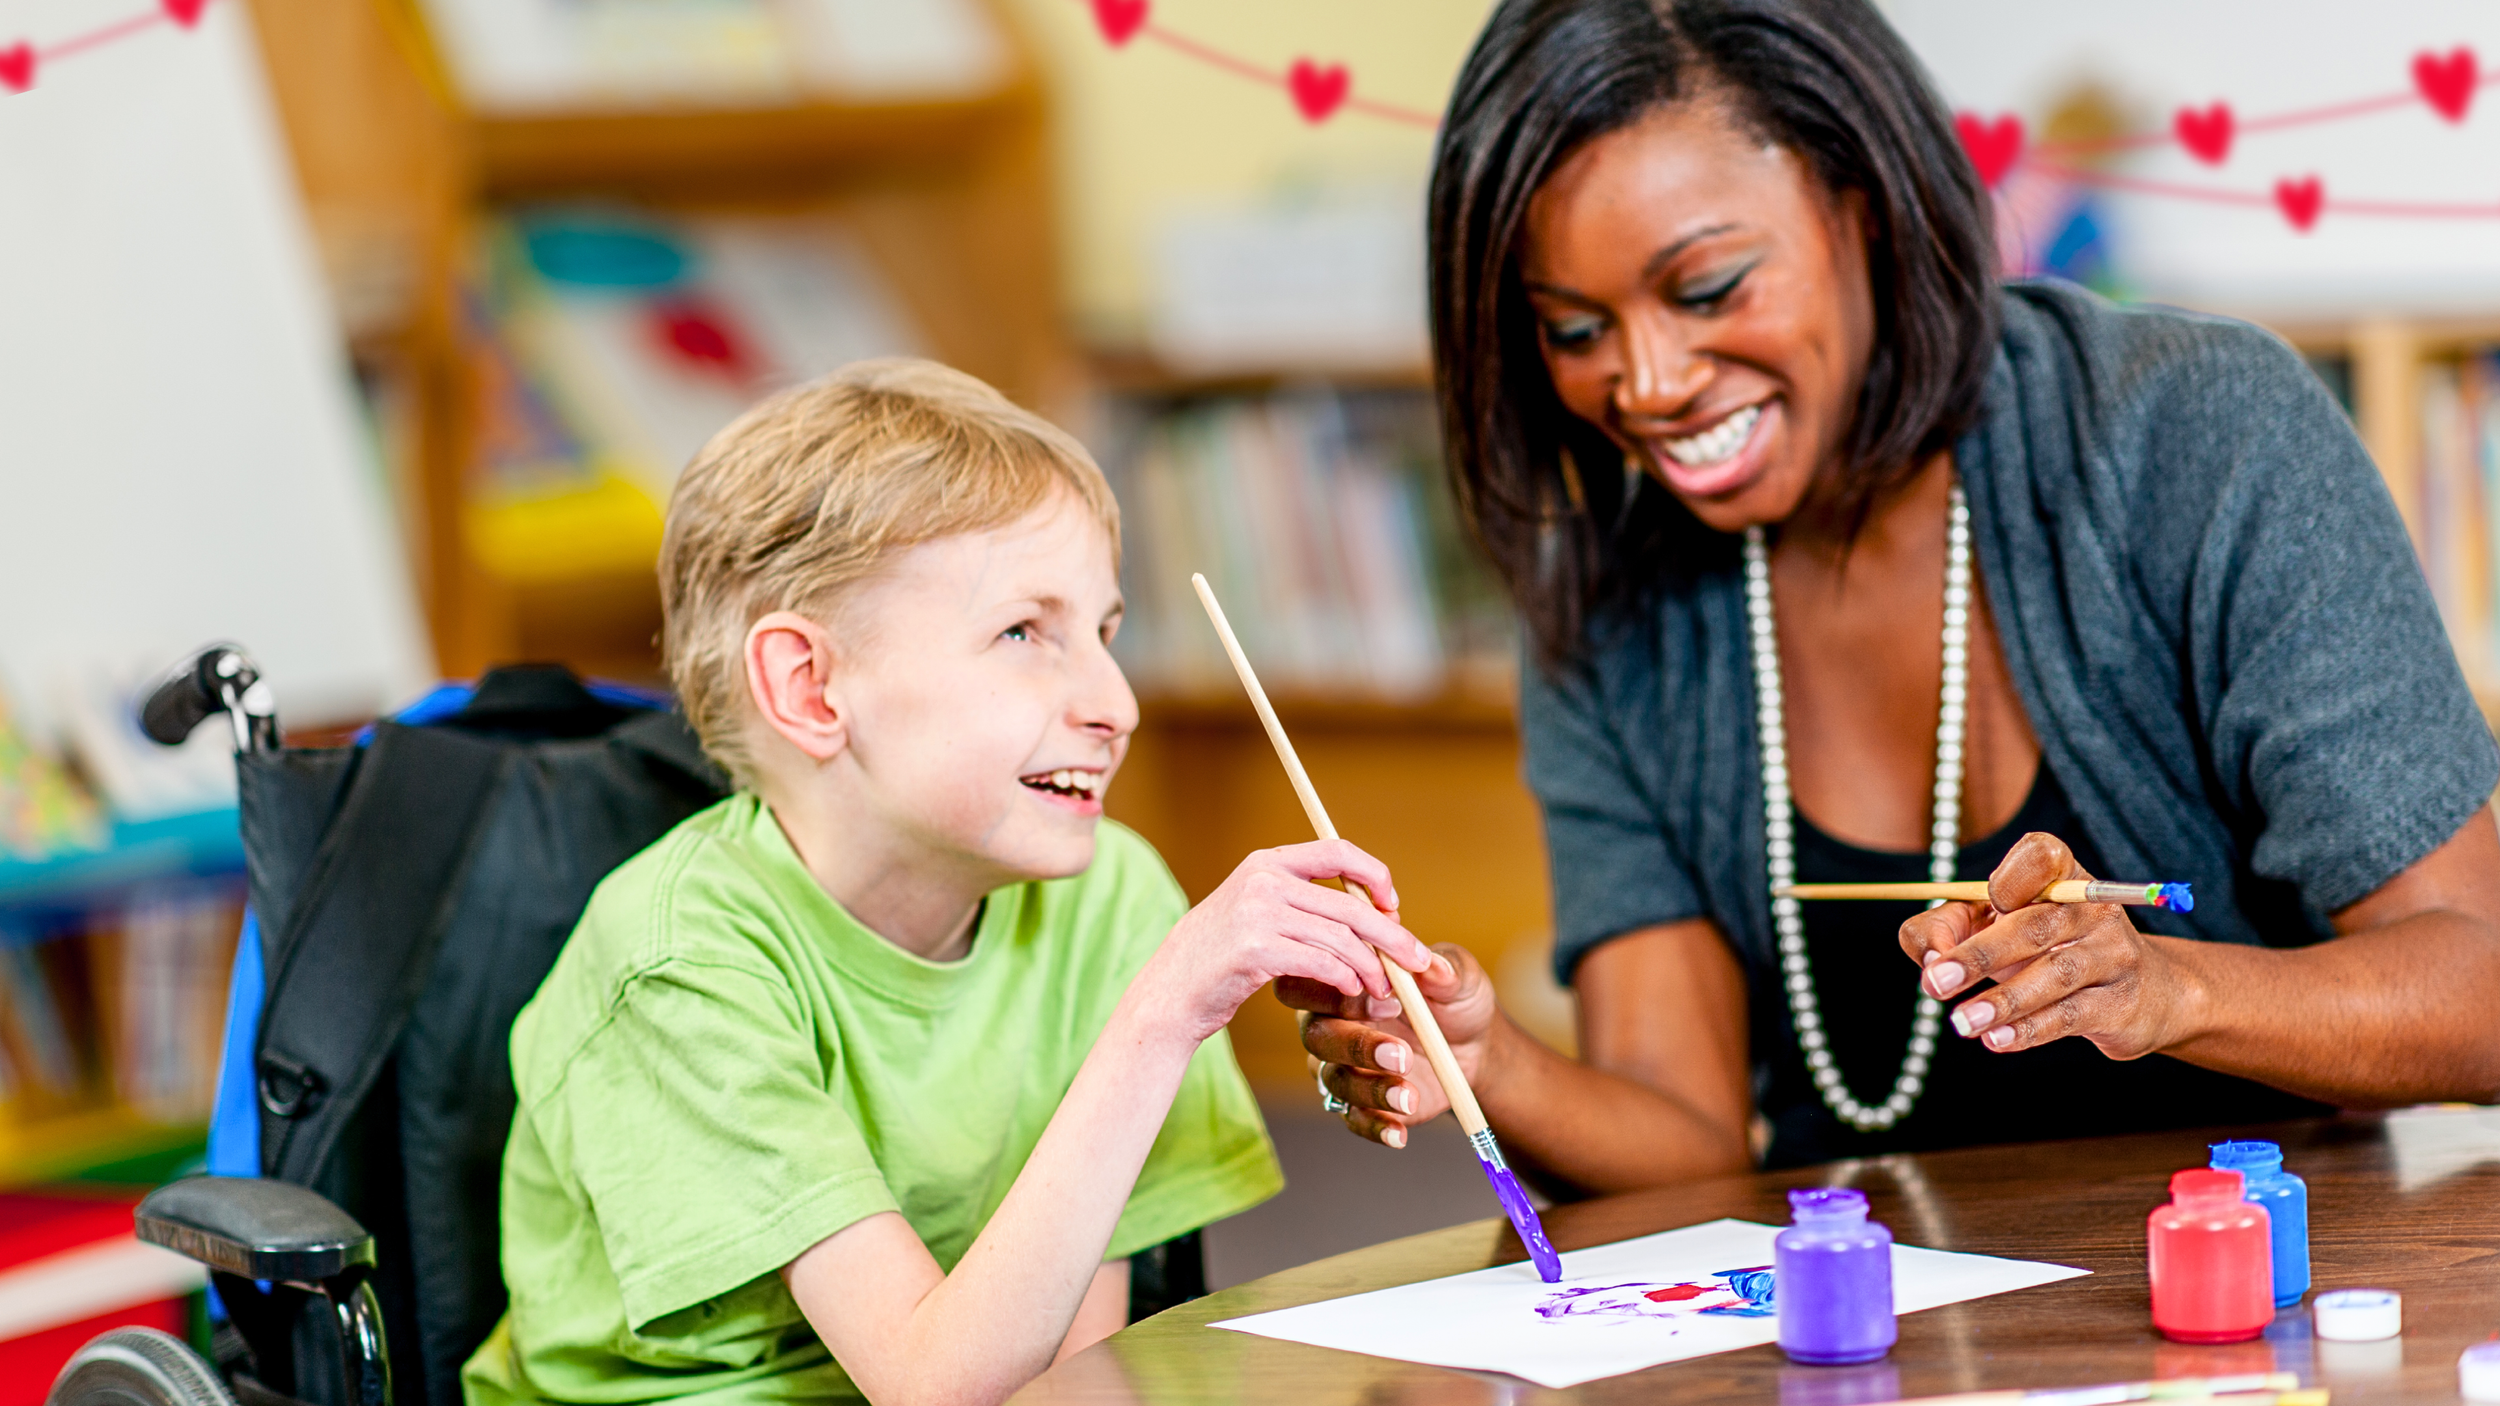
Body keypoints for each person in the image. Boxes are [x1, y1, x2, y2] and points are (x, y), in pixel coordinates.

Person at [1290, 0, 2500, 1184]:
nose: (1646, 383)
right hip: (1849, 1301)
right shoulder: (1606, 592)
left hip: (2248, 1284)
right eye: (1572, 330)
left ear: (1863, 208)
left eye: (1707, 288)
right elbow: (1684, 1134)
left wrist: (2165, 986)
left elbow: (2481, 988)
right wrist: (1484, 1059)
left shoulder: (2197, 433)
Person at [462, 359, 1437, 1404]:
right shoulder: (677, 963)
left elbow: (1070, 1374)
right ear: (810, 687)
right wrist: (1164, 1013)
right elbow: (934, 1389)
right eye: (1023, 631)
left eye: (1105, 632)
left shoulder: (1108, 895)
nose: (1116, 705)